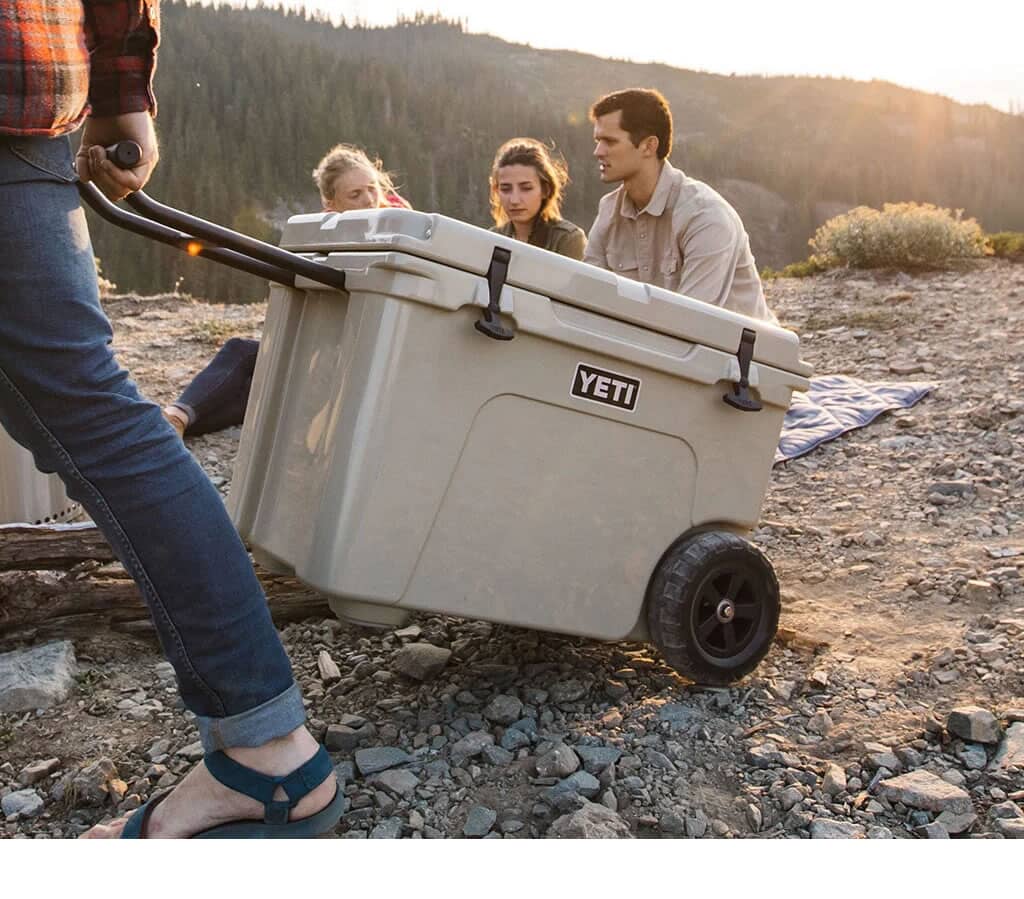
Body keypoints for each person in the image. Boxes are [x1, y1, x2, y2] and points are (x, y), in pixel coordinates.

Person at [0, 0, 342, 838]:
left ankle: (265, 745)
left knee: (95, 416)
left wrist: (124, 95)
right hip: (25, 84)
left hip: (18, 92)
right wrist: (123, 96)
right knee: (86, 414)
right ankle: (264, 738)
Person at [162, 143, 410, 438]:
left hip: (368, 355)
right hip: (332, 348)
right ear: (331, 204)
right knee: (253, 375)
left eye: (372, 189)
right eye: (355, 195)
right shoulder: (329, 235)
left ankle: (173, 421)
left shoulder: (401, 229)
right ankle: (174, 422)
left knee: (254, 368)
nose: (369, 200)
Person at [584, 88, 776, 322]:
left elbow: (690, 323)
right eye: (598, 141)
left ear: (648, 146)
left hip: (728, 345)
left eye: (610, 141)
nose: (598, 152)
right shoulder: (609, 211)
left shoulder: (705, 216)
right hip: (654, 342)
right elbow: (586, 297)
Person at [488, 137, 586, 259]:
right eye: (505, 189)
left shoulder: (567, 239)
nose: (514, 200)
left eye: (526, 188)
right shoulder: (492, 238)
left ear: (545, 190)